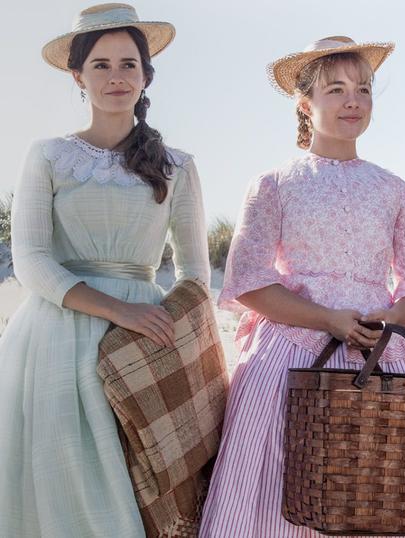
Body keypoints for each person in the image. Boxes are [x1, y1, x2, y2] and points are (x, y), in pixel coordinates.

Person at [199, 37, 405, 537]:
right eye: (336, 89)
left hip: (378, 357)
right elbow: (248, 283)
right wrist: (329, 319)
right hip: (290, 355)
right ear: (305, 105)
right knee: (275, 493)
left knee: (367, 493)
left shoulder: (397, 191)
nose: (353, 100)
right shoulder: (275, 184)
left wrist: (386, 321)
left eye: (364, 89)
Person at [0, 3, 210, 537]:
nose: (116, 77)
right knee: (61, 488)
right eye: (100, 65)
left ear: (145, 75)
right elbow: (30, 261)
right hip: (55, 337)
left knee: (139, 488)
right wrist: (119, 310)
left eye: (128, 64)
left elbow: (195, 272)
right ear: (77, 76)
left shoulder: (178, 165)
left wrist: (161, 326)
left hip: (144, 343)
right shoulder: (47, 155)